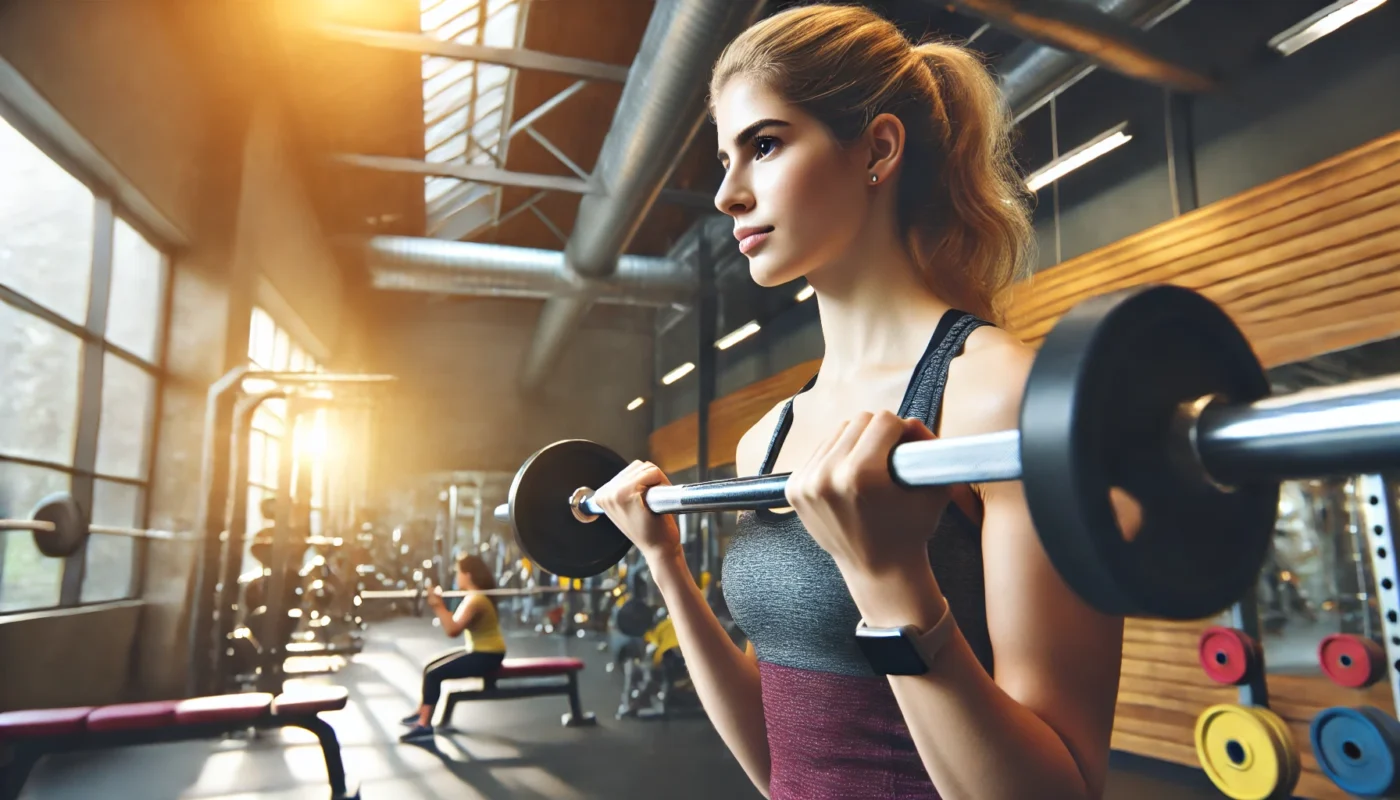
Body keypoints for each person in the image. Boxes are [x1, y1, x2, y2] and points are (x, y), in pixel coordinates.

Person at [590, 6, 1138, 799]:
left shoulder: (999, 397)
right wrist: (665, 564)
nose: (726, 194)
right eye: (723, 158)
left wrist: (890, 578)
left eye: (765, 145)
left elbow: (1060, 788)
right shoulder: (766, 442)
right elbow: (785, 762)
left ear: (877, 148)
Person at [399, 554, 507, 742]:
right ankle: (421, 712)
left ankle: (424, 725)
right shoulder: (474, 597)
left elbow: (452, 630)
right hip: (482, 650)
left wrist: (437, 605)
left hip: (488, 655)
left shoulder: (476, 600)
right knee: (430, 666)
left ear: (468, 575)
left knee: (434, 674)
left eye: (458, 573)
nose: (456, 577)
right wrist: (439, 605)